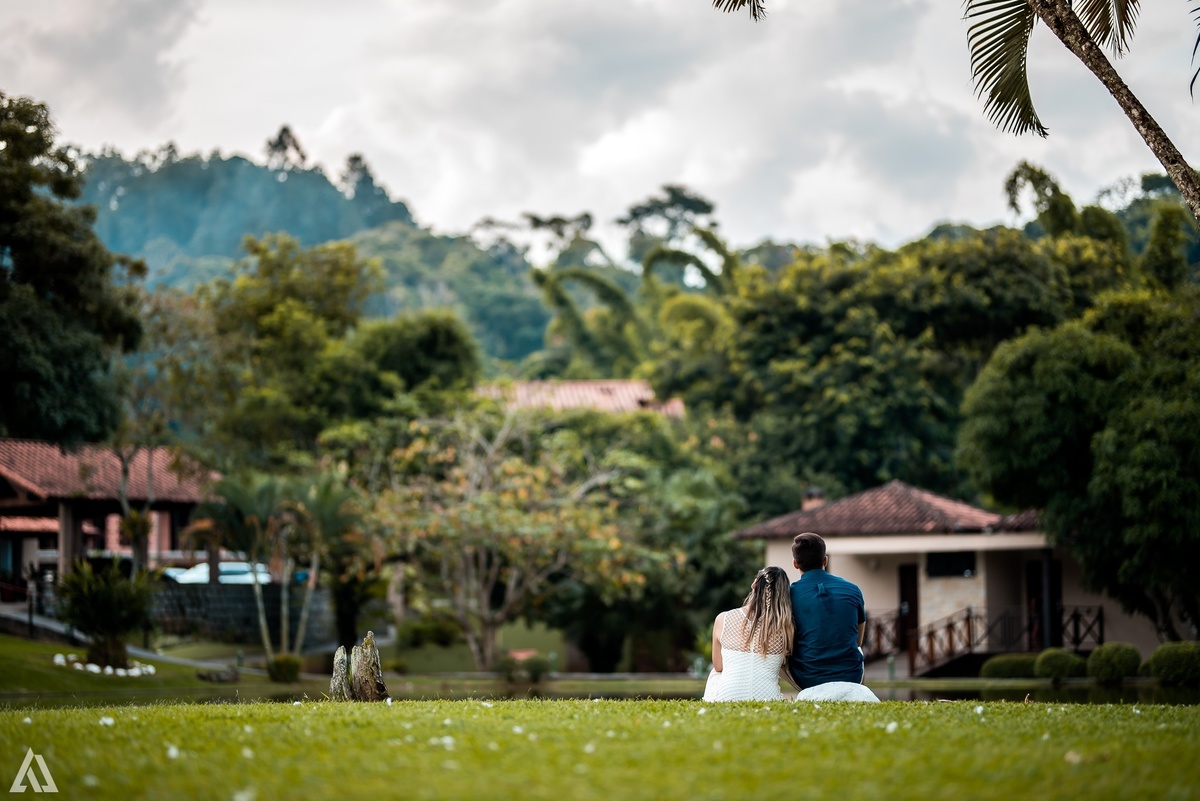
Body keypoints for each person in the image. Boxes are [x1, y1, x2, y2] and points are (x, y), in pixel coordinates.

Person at [787, 532, 879, 702]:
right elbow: (858, 641)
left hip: (807, 677)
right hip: (851, 674)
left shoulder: (788, 595)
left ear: (795, 564)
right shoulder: (853, 589)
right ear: (825, 560)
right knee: (855, 648)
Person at [702, 566, 795, 702]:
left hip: (727, 697)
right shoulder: (786, 627)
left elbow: (718, 667)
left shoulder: (723, 619)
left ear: (754, 584)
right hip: (768, 698)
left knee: (714, 673)